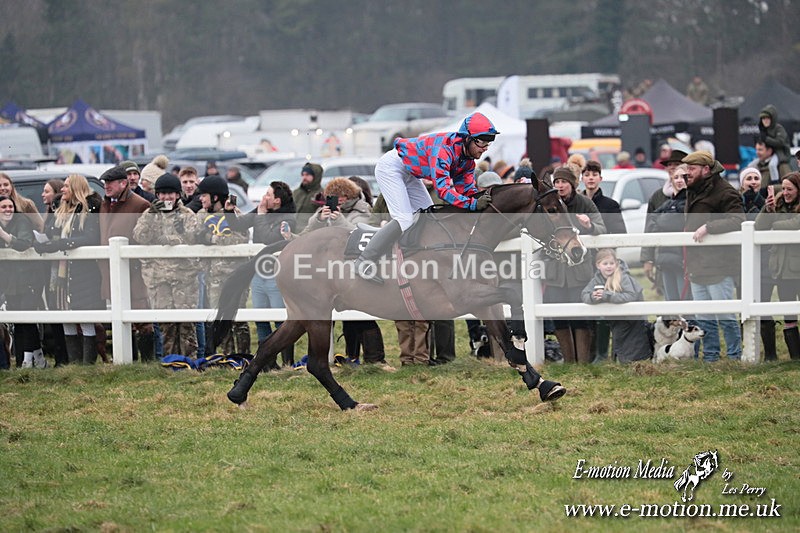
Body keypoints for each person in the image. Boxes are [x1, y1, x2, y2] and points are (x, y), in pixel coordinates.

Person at [354, 111, 497, 284]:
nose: (485, 147)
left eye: (488, 142)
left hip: (410, 172)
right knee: (404, 219)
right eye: (481, 141)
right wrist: (473, 204)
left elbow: (467, 191)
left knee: (430, 216)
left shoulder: (467, 161)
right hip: (390, 168)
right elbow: (443, 191)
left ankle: (416, 255)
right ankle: (364, 261)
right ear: (467, 138)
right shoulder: (444, 150)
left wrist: (481, 202)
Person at [682, 150, 745, 362]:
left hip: (720, 264)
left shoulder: (725, 192)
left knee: (725, 314)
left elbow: (738, 219)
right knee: (703, 315)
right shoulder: (693, 189)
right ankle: (711, 356)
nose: (687, 172)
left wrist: (709, 227)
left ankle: (734, 355)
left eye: (692, 168)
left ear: (706, 170)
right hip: (697, 263)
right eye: (687, 168)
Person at [35, 174, 104, 364]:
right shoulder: (61, 209)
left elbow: (90, 238)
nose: (63, 189)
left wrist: (61, 244)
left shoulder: (89, 210)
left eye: (66, 186)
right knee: (65, 314)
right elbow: (51, 233)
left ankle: (87, 364)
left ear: (75, 188)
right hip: (61, 273)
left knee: (85, 316)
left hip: (84, 272)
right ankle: (74, 363)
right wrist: (44, 242)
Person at [133, 173, 203, 357]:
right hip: (159, 278)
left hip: (184, 278)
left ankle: (189, 361)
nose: (166, 198)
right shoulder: (149, 214)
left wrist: (176, 237)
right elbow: (139, 236)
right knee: (166, 325)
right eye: (162, 194)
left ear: (177, 195)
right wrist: (151, 216)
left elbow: (195, 239)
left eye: (170, 193)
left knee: (186, 323)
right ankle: (170, 361)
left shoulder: (187, 215)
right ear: (157, 195)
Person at [543, 166, 607, 363]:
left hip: (579, 271)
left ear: (572, 184)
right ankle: (569, 362)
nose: (560, 186)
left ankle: (583, 362)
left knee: (581, 317)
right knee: (559, 318)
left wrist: (589, 225)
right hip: (556, 272)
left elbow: (602, 229)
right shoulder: (548, 204)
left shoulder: (584, 203)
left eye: (564, 182)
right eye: (557, 182)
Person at [232, 181, 296, 367]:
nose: (263, 198)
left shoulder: (288, 219)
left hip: (276, 275)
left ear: (277, 201)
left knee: (280, 321)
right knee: (261, 319)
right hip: (258, 274)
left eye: (268, 194)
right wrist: (229, 211)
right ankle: (267, 363)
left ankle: (287, 363)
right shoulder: (262, 211)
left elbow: (268, 240)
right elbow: (238, 225)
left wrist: (260, 216)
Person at [98, 165, 155, 361]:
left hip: (134, 271)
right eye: (105, 183)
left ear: (123, 183)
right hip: (110, 271)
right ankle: (128, 361)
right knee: (119, 317)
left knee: (142, 319)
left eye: (110, 182)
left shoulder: (140, 205)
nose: (106, 186)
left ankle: (147, 362)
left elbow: (145, 239)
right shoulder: (104, 205)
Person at [196, 175, 251, 355]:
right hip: (213, 277)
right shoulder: (201, 215)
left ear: (215, 197)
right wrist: (206, 238)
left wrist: (210, 238)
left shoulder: (234, 215)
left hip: (235, 276)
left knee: (239, 320)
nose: (201, 199)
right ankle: (226, 357)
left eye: (204, 195)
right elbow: (194, 235)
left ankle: (243, 356)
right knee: (219, 319)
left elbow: (239, 239)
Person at [580, 160, 626, 362]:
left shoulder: (610, 205)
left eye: (594, 174)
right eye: (587, 174)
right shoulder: (577, 203)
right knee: (586, 304)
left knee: (604, 304)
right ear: (582, 178)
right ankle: (588, 352)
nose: (590, 178)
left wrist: (607, 258)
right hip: (581, 262)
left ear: (600, 178)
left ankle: (603, 352)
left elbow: (619, 233)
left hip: (603, 264)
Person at [755, 172, 800, 359]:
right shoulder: (778, 203)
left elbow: (796, 223)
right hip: (780, 270)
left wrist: (774, 222)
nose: (786, 192)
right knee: (788, 315)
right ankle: (795, 357)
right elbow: (759, 226)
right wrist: (768, 210)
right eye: (784, 188)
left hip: (797, 269)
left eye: (790, 189)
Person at [581, 249, 652, 363]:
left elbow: (630, 295)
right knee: (619, 341)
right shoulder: (596, 279)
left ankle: (638, 363)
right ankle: (620, 362)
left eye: (611, 263)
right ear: (598, 265)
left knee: (635, 344)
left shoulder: (623, 277)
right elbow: (584, 294)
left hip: (633, 318)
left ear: (616, 264)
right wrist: (593, 297)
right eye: (605, 264)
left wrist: (607, 296)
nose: (609, 266)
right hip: (616, 319)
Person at [0, 195, 45, 368]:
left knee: (27, 319)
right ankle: (28, 360)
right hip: (9, 280)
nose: (8, 210)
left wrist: (4, 235)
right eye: (3, 207)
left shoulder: (21, 221)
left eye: (10, 206)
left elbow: (24, 243)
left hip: (29, 277)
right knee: (17, 322)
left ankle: (30, 360)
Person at [739, 167, 776, 360]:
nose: (752, 181)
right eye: (748, 178)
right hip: (742, 264)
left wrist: (764, 204)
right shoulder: (736, 203)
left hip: (764, 261)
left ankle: (770, 353)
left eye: (756, 178)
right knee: (743, 308)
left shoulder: (768, 203)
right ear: (742, 183)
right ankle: (746, 351)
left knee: (764, 305)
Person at [641, 149, 688, 288]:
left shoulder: (694, 195)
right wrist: (648, 259)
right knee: (667, 293)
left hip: (686, 257)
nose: (672, 167)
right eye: (669, 165)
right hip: (664, 256)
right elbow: (649, 227)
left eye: (677, 164)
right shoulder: (658, 196)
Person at [648, 164, 691, 302]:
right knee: (670, 301)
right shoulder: (668, 203)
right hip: (665, 258)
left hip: (683, 259)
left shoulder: (691, 201)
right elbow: (652, 222)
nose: (679, 180)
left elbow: (675, 222)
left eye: (683, 177)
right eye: (676, 177)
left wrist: (663, 221)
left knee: (684, 301)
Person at [758, 105, 791, 178]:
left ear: (772, 119)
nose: (765, 121)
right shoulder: (763, 129)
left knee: (772, 165)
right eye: (763, 118)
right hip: (767, 154)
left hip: (780, 153)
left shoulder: (779, 128)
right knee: (752, 165)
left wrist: (766, 139)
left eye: (767, 118)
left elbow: (780, 142)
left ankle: (774, 181)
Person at [292, 162, 324, 228]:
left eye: (307, 175)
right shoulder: (296, 193)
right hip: (293, 230)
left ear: (316, 176)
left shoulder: (322, 194)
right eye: (303, 175)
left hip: (310, 230)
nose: (304, 177)